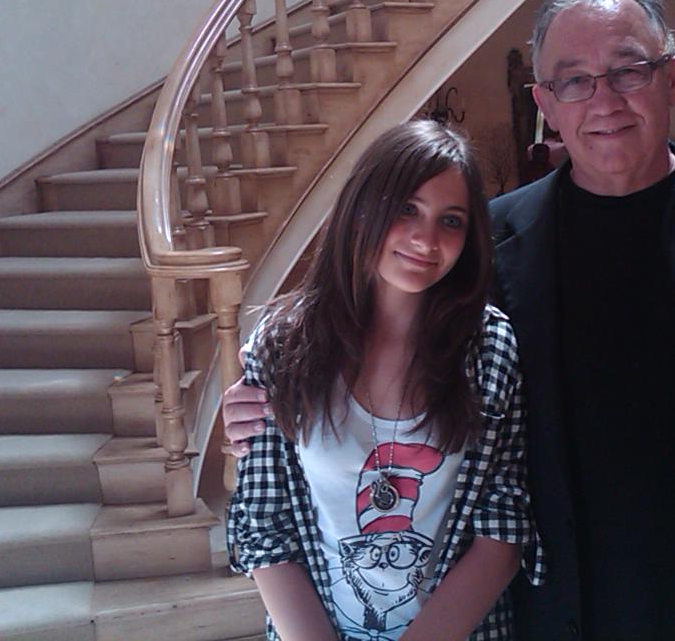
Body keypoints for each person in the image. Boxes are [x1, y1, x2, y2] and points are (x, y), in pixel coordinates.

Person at [226, 0, 675, 640]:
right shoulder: (488, 246)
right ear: (545, 100)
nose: (603, 100)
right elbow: (391, 374)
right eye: (574, 80)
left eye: (629, 70)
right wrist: (261, 404)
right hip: (564, 615)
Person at [226, 120, 542, 641]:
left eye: (452, 220)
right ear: (362, 208)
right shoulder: (282, 346)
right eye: (406, 210)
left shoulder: (487, 347)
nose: (426, 239)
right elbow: (265, 528)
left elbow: (502, 528)